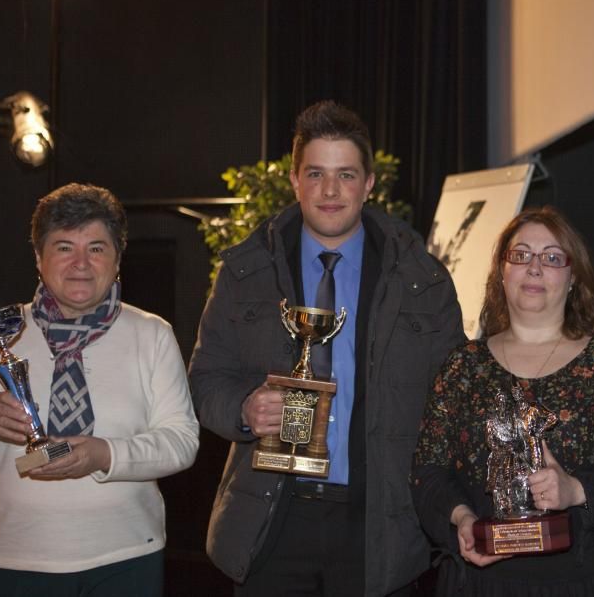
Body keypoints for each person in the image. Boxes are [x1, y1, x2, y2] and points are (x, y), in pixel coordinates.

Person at [189, 100, 465, 596]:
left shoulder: (423, 280)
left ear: (370, 184)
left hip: (379, 526)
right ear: (295, 179)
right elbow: (205, 378)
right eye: (315, 173)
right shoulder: (244, 272)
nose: (330, 191)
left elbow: (453, 401)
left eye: (346, 174)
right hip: (271, 519)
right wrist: (244, 408)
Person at [0, 183, 199, 596]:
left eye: (96, 248)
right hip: (17, 557)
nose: (81, 263)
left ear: (117, 261)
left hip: (127, 556)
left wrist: (103, 454)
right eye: (64, 247)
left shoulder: (152, 334)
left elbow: (182, 443)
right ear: (39, 259)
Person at [412, 205, 594, 595]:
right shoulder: (462, 366)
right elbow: (428, 471)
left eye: (551, 257)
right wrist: (461, 519)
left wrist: (577, 490)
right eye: (521, 254)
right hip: (482, 585)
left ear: (573, 277)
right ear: (501, 271)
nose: (534, 267)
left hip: (589, 582)